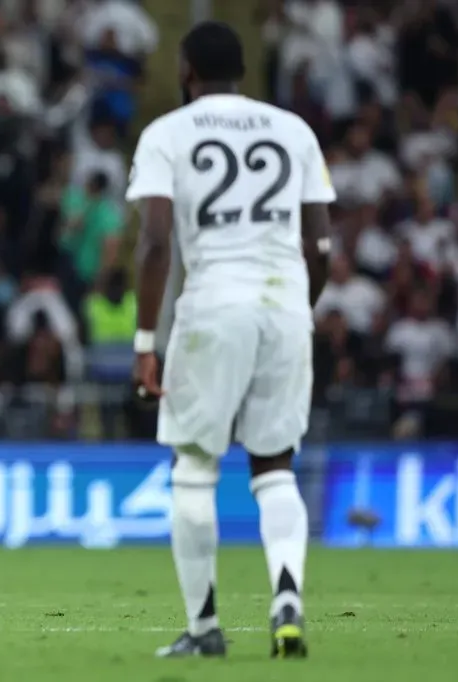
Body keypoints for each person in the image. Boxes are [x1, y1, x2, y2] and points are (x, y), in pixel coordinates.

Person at [127, 22, 334, 659]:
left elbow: (158, 240)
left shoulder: (168, 133)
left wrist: (144, 339)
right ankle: (287, 597)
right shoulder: (293, 130)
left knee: (194, 466)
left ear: (187, 69)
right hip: (284, 304)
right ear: (242, 70)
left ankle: (204, 626)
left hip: (215, 304)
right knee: (274, 466)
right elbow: (320, 245)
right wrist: (297, 310)